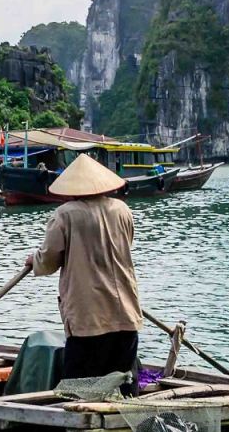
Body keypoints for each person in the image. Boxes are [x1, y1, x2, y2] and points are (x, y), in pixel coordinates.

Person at [24, 154, 141, 386]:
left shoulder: (66, 214)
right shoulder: (122, 210)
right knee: (122, 384)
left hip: (88, 319)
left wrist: (33, 260)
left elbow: (48, 260)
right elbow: (126, 245)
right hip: (125, 314)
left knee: (78, 387)